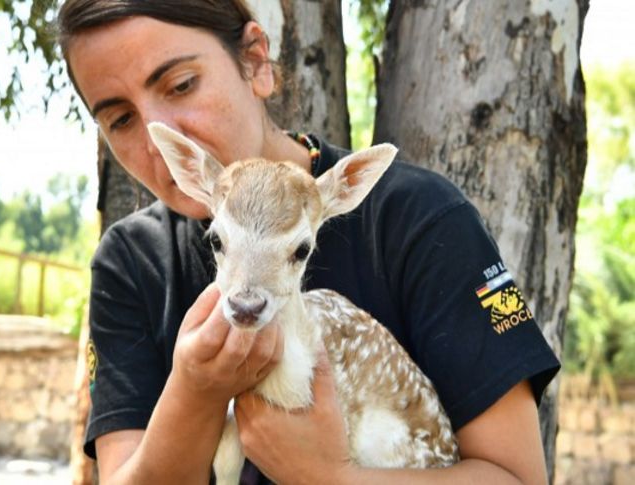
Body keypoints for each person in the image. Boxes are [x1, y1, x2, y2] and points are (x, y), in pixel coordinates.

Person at [57, 1, 561, 483]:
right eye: (120, 119)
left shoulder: (422, 220)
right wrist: (196, 391)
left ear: (256, 61)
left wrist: (327, 478)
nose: (156, 139)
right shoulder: (130, 262)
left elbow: (515, 476)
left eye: (182, 85)